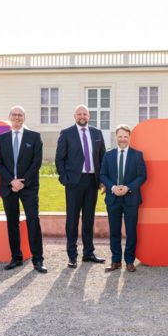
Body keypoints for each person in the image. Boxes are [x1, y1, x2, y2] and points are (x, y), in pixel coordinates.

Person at [0, 106, 46, 273]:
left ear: (24, 118)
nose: (17, 117)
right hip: (8, 187)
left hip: (28, 187)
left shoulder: (34, 137)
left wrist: (23, 182)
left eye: (20, 115)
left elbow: (36, 163)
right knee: (12, 223)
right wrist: (12, 181)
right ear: (9, 117)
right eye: (14, 115)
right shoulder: (1, 138)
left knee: (33, 221)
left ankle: (38, 259)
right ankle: (16, 257)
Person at [55, 104, 107, 268]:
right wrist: (65, 178)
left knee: (88, 219)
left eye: (84, 113)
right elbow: (59, 158)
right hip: (74, 182)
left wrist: (103, 180)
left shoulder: (97, 133)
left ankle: (88, 253)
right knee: (72, 219)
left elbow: (103, 157)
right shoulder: (66, 133)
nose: (82, 116)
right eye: (79, 114)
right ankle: (72, 255)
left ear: (89, 116)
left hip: (92, 181)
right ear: (74, 116)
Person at [99, 124, 147, 273]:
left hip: (131, 198)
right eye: (120, 136)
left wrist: (128, 188)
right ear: (116, 137)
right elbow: (103, 175)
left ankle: (129, 261)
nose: (122, 139)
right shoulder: (108, 155)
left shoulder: (137, 155)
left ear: (129, 137)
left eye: (125, 137)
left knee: (131, 231)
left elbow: (142, 176)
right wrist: (113, 188)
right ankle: (115, 261)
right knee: (114, 231)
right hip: (113, 198)